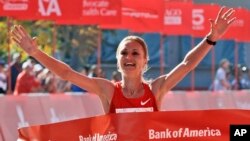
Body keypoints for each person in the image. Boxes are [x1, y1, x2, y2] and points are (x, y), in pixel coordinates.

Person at [10, 7, 236, 113]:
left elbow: (187, 65)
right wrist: (35, 53)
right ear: (118, 60)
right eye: (124, 53)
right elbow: (67, 74)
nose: (129, 57)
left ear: (145, 61)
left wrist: (211, 38)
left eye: (135, 53)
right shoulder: (107, 90)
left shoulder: (156, 89)